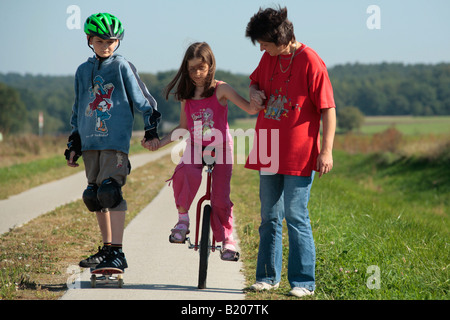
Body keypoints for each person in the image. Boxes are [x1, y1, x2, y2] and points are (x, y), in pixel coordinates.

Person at [244, 6, 336, 297]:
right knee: (269, 215)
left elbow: (328, 109)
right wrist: (253, 93)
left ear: (281, 38)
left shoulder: (311, 61)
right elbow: (254, 81)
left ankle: (303, 282)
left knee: (296, 216)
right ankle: (267, 277)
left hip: (299, 152)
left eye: (265, 43)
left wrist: (327, 151)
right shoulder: (267, 58)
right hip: (268, 148)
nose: (261, 47)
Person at [142, 42, 262, 261]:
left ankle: (227, 240)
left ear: (210, 65)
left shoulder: (221, 89)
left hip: (221, 148)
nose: (197, 73)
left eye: (201, 67)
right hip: (197, 146)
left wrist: (256, 97)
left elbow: (250, 108)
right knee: (184, 171)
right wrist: (159, 143)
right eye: (191, 69)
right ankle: (183, 221)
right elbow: (183, 128)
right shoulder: (186, 96)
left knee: (220, 198)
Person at [65, 13, 161, 272]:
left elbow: (145, 100)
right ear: (89, 40)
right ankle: (107, 249)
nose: (106, 45)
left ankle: (117, 253)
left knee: (111, 191)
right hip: (89, 144)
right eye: (100, 41)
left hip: (115, 142)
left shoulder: (122, 66)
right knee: (94, 196)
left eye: (112, 41)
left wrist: (151, 129)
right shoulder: (83, 71)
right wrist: (74, 141)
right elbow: (78, 107)